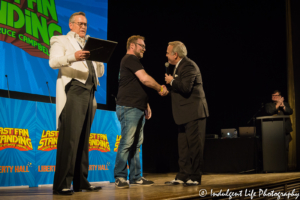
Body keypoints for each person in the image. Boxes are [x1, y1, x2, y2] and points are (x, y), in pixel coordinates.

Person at [49, 12, 104, 195]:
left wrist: (100, 58)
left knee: (83, 139)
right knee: (70, 139)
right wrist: (74, 56)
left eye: (85, 24)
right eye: (80, 23)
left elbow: (99, 72)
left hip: (90, 91)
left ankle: (81, 182)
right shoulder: (60, 39)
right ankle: (62, 183)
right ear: (71, 25)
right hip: (74, 90)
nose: (83, 27)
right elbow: (53, 62)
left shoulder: (89, 43)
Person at [114, 35, 168, 188]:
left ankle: (136, 177)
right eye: (141, 45)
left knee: (136, 144)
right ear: (132, 45)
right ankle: (120, 176)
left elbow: (136, 86)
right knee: (127, 142)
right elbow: (144, 79)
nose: (144, 48)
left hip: (137, 106)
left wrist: (146, 104)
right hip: (128, 107)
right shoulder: (130, 59)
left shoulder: (133, 62)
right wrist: (160, 88)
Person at [164, 41, 209, 186]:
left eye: (167, 52)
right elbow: (179, 90)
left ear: (175, 55)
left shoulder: (189, 65)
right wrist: (169, 90)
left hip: (194, 112)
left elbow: (186, 88)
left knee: (195, 147)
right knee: (183, 147)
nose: (166, 55)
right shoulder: (178, 66)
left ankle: (195, 177)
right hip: (183, 114)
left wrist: (171, 82)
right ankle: (182, 175)